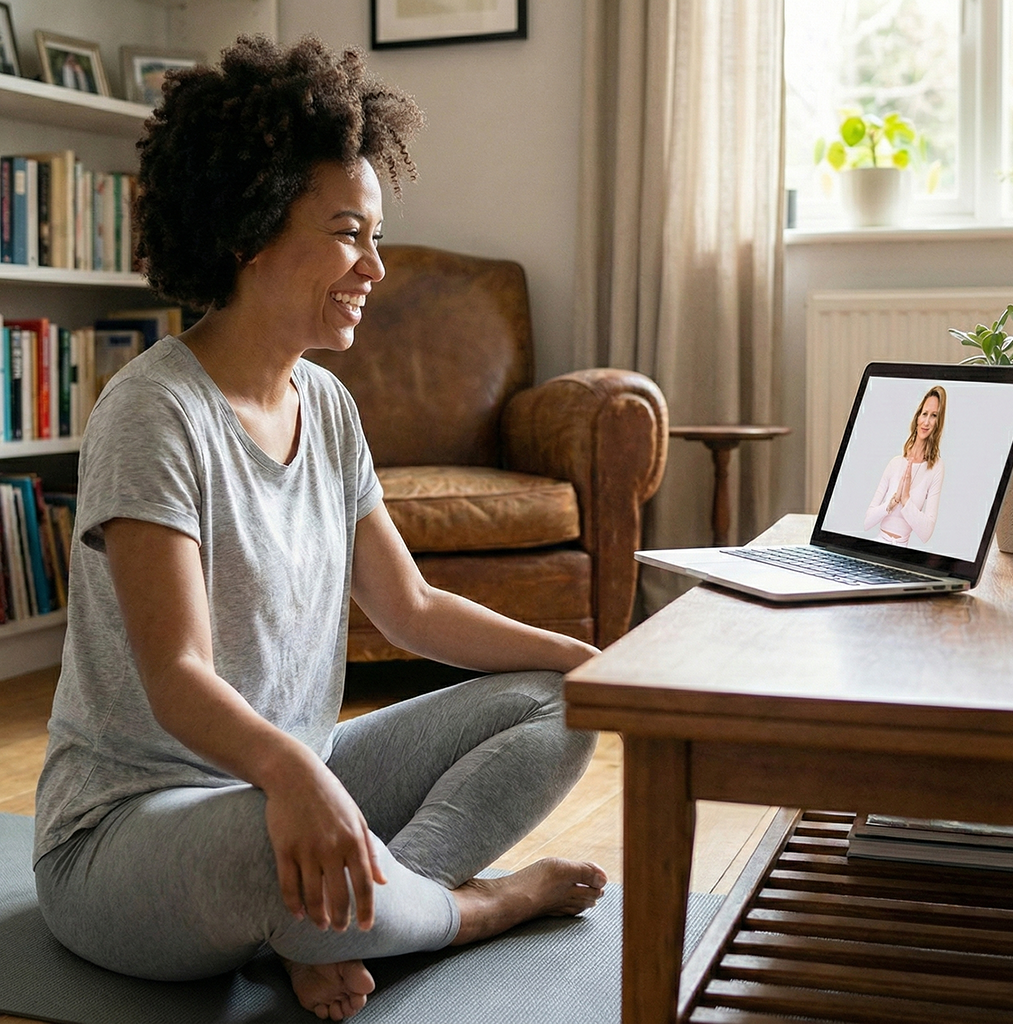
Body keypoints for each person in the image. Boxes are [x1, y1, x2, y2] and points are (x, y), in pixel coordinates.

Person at [33, 35, 605, 1022]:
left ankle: (349, 913)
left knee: (564, 703)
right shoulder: (153, 412)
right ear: (251, 232)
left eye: (374, 234)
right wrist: (296, 771)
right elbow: (176, 675)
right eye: (348, 232)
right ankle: (469, 909)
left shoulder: (328, 405)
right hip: (129, 833)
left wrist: (587, 657)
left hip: (296, 780)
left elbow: (411, 607)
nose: (375, 266)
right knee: (269, 843)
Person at [864, 385, 946, 546]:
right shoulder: (895, 463)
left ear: (939, 422)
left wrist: (906, 499)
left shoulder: (936, 468)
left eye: (934, 415)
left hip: (903, 550)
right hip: (878, 544)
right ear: (917, 418)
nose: (927, 421)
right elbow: (867, 522)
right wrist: (893, 502)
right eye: (924, 414)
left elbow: (926, 532)